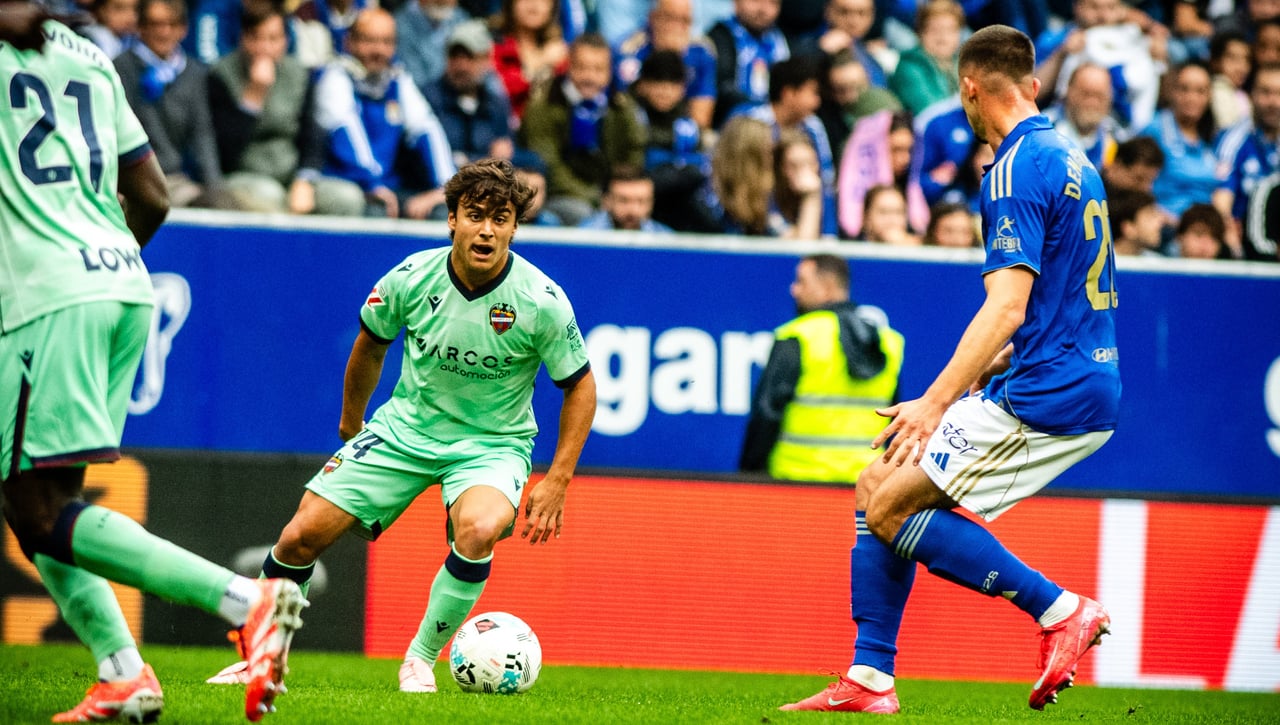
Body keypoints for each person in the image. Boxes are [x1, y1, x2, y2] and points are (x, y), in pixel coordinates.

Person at [781, 25, 1120, 714]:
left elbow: (1007, 302)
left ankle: (1059, 610)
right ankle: (870, 676)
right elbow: (1064, 286)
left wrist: (932, 401)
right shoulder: (1072, 158)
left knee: (889, 504)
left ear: (968, 89)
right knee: (878, 483)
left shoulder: (1012, 166)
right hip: (1069, 369)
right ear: (1031, 86)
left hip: (1050, 389)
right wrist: (995, 360)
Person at [0, 6, 304, 722]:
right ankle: (123, 672)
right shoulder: (90, 54)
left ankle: (247, 600)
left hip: (49, 295)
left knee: (41, 509)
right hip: (120, 280)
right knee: (34, 502)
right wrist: (98, 264)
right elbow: (153, 195)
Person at [206, 158, 596, 693]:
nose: (486, 229)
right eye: (474, 215)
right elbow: (371, 340)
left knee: (479, 528)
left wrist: (558, 479)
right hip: (403, 430)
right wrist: (351, 419)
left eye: (500, 218)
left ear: (513, 226)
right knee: (300, 536)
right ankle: (259, 659)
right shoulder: (412, 276)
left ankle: (420, 659)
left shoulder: (541, 301)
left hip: (493, 444)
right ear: (452, 219)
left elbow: (580, 385)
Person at [740, 254, 904, 482]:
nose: (794, 290)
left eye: (802, 281)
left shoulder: (798, 336)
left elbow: (766, 414)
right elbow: (894, 417)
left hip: (795, 480)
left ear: (827, 288)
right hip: (863, 481)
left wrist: (748, 475)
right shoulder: (889, 341)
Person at [209, 3, 362, 215]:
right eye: (256, 38)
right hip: (243, 176)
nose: (265, 47)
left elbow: (312, 136)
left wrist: (305, 179)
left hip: (291, 176)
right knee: (271, 197)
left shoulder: (298, 74)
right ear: (243, 39)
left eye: (273, 39)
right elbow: (223, 151)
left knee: (347, 198)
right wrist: (253, 98)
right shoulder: (220, 76)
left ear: (285, 41)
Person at [313, 7, 457, 219]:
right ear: (349, 42)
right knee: (376, 210)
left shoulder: (397, 81)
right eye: (369, 41)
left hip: (386, 186)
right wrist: (374, 184)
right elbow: (346, 133)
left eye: (387, 42)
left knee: (441, 212)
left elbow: (427, 127)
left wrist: (448, 189)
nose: (379, 50)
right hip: (344, 182)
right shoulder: (335, 77)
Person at [518, 32, 646, 226]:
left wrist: (615, 195)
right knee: (584, 215)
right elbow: (548, 164)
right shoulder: (544, 105)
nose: (590, 77)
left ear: (610, 71)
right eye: (582, 68)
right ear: (569, 66)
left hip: (611, 196)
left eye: (598, 69)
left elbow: (633, 154)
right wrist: (595, 198)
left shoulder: (621, 107)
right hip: (560, 196)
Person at [115, 0, 226, 208]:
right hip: (131, 179)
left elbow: (202, 134)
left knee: (220, 202)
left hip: (176, 180)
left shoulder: (193, 73)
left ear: (183, 29)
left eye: (172, 24)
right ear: (141, 27)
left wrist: (214, 188)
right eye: (155, 24)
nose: (164, 32)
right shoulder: (120, 68)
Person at [612, 0, 718, 129]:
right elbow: (624, 110)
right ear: (653, 18)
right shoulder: (630, 51)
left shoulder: (702, 52)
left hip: (681, 136)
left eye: (685, 21)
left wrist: (675, 59)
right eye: (670, 18)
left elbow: (700, 120)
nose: (677, 28)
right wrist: (663, 57)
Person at [424, 19, 516, 167]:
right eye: (455, 56)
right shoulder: (428, 99)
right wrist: (486, 160)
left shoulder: (496, 104)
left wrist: (473, 160)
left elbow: (507, 152)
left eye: (470, 57)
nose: (462, 66)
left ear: (487, 59)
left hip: (488, 184)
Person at [1213, 63, 1280, 259]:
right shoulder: (1234, 139)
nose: (1273, 102)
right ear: (1251, 95)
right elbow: (1221, 200)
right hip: (1244, 243)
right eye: (1266, 92)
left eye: (1278, 94)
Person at [707, 0, 790, 127]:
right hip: (731, 124)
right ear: (736, 2)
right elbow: (724, 89)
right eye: (756, 0)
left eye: (773, 3)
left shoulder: (777, 39)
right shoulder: (721, 35)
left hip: (773, 122)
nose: (763, 9)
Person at [491, 0, 569, 123]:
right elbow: (496, 90)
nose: (534, 5)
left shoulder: (558, 49)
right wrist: (541, 61)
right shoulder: (496, 45)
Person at [888, 0, 963, 116]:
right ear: (920, 33)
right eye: (935, 30)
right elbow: (930, 112)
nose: (943, 38)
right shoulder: (909, 66)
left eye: (950, 30)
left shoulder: (963, 63)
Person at [394, 0, 469, 91]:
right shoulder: (400, 26)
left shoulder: (460, 17)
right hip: (425, 97)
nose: (444, 1)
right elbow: (416, 82)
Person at [577, 164, 674, 232]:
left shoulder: (666, 240)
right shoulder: (583, 238)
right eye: (624, 201)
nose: (633, 210)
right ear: (606, 201)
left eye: (641, 201)